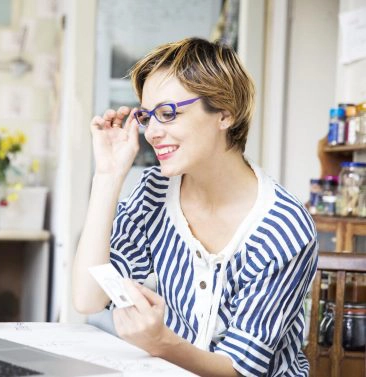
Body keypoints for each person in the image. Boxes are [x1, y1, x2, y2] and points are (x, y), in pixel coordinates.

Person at [72, 37, 318, 377]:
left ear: (224, 114)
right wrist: (107, 175)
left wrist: (160, 342)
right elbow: (88, 298)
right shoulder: (155, 192)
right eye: (147, 116)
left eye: (168, 113)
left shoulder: (283, 227)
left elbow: (241, 370)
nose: (152, 133)